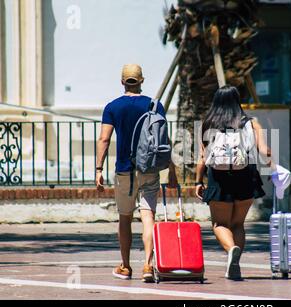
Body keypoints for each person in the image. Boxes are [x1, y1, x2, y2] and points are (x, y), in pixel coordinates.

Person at [95, 64, 177, 282]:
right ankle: (148, 266)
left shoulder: (113, 107)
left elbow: (104, 139)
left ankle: (125, 266)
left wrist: (99, 168)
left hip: (124, 170)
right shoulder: (154, 105)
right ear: (142, 80)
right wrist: (172, 170)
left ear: (122, 82)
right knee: (148, 216)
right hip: (149, 168)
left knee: (125, 218)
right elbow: (164, 140)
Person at [195, 85, 274, 280]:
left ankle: (231, 250)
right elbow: (265, 151)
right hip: (246, 175)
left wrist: (198, 181)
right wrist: (273, 167)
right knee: (238, 223)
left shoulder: (207, 123)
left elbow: (202, 158)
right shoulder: (252, 123)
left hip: (218, 178)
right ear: (237, 100)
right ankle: (235, 259)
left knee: (219, 223)